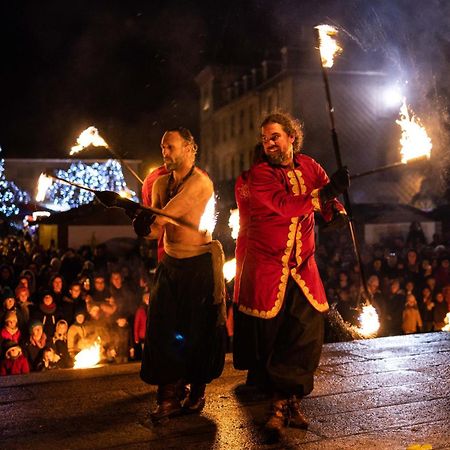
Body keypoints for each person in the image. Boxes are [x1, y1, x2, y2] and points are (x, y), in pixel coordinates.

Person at [233, 112, 349, 433]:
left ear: (291, 137)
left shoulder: (310, 166)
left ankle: (288, 399)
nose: (268, 143)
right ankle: (280, 403)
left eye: (274, 136)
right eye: (265, 138)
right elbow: (286, 205)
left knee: (306, 333)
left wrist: (336, 210)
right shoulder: (259, 175)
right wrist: (324, 196)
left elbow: (326, 194)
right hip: (269, 266)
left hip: (303, 266)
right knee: (275, 336)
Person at [134, 127, 226, 423]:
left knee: (197, 332)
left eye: (171, 147)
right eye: (163, 147)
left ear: (189, 148)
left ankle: (196, 391)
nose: (165, 152)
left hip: (198, 265)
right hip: (171, 265)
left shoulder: (201, 183)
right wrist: (141, 224)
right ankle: (168, 398)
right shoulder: (160, 183)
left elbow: (172, 210)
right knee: (161, 330)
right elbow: (156, 231)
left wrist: (147, 213)